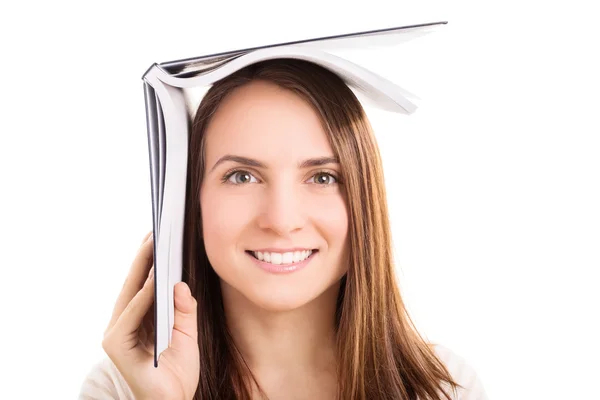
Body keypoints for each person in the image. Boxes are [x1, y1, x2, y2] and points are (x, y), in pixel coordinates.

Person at [79, 59, 488, 400]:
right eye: (242, 176)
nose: (281, 220)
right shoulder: (122, 389)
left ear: (366, 201)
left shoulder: (445, 387)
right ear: (189, 204)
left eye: (323, 177)